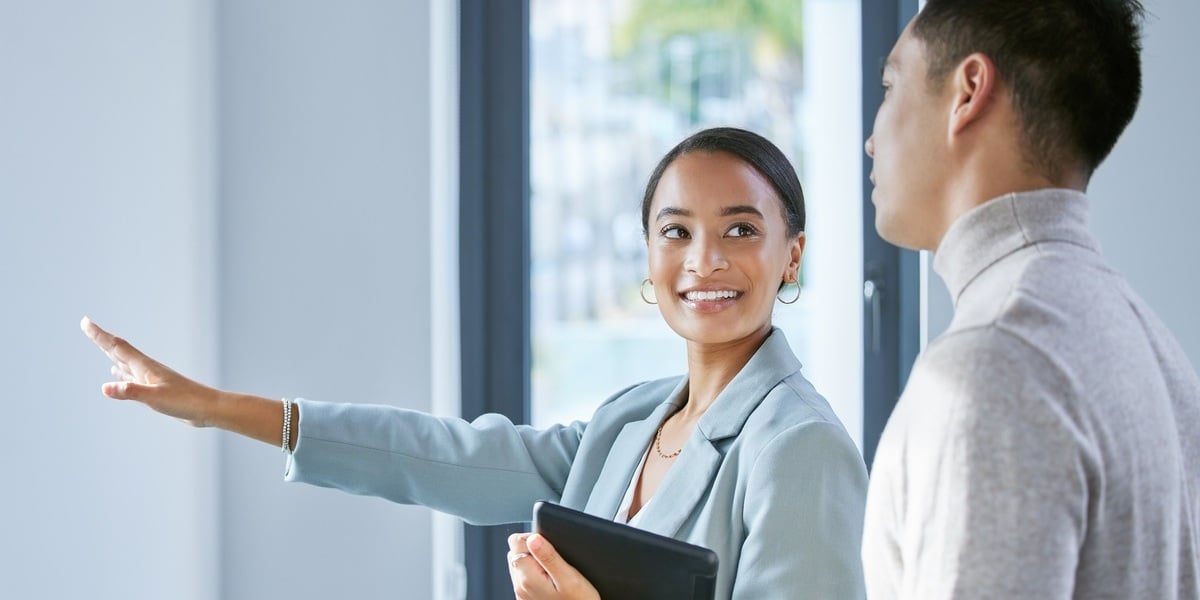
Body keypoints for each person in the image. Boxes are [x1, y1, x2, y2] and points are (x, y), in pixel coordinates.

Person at [83, 127, 869, 599]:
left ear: (790, 255)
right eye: (676, 232)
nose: (704, 261)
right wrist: (215, 407)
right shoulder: (635, 418)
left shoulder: (799, 447)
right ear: (648, 254)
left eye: (739, 230)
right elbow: (443, 456)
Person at [861, 1, 1200, 598]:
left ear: (967, 90)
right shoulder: (1152, 345)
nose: (870, 140)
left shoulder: (992, 366)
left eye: (890, 86)